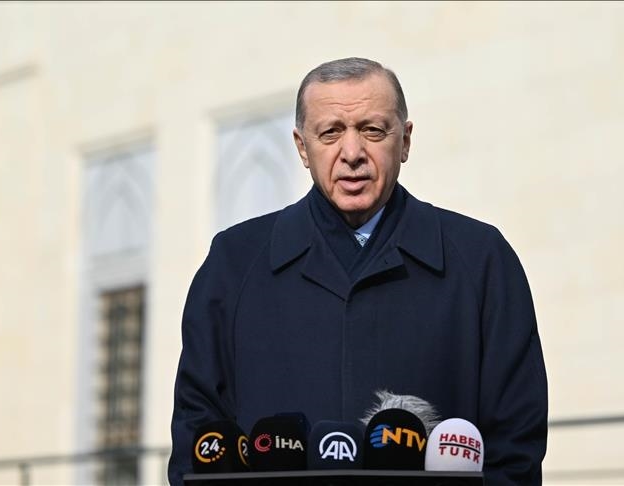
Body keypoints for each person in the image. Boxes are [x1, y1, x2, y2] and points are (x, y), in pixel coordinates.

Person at [168, 57, 548, 485]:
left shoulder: (481, 261)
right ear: (302, 147)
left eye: (373, 131)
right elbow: (197, 436)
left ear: (405, 141)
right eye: (330, 132)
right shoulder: (234, 264)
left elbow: (515, 446)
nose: (352, 154)